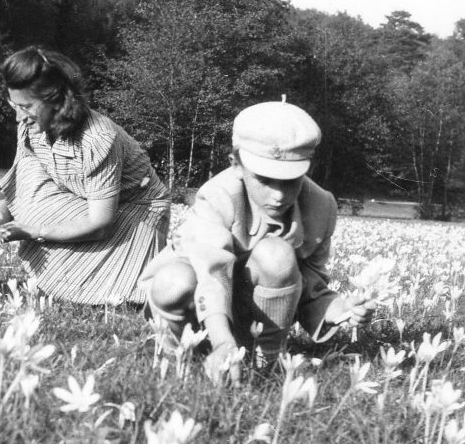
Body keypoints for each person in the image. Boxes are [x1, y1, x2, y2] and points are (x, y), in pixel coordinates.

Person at [140, 99, 377, 374]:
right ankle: (173, 355)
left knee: (276, 255)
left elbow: (310, 281)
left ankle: (265, 365)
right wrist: (222, 343)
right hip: (200, 301)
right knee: (174, 281)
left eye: (290, 180)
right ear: (235, 164)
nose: (278, 195)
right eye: (264, 179)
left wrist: (340, 309)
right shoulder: (218, 195)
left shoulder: (321, 207)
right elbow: (212, 275)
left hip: (256, 313)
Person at [0, 46, 170, 305]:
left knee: (116, 290)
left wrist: (34, 231)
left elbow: (100, 224)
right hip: (79, 200)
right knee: (29, 176)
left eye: (26, 106)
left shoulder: (97, 139)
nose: (19, 116)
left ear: (55, 98)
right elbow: (18, 183)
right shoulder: (31, 128)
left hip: (134, 210)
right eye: (14, 105)